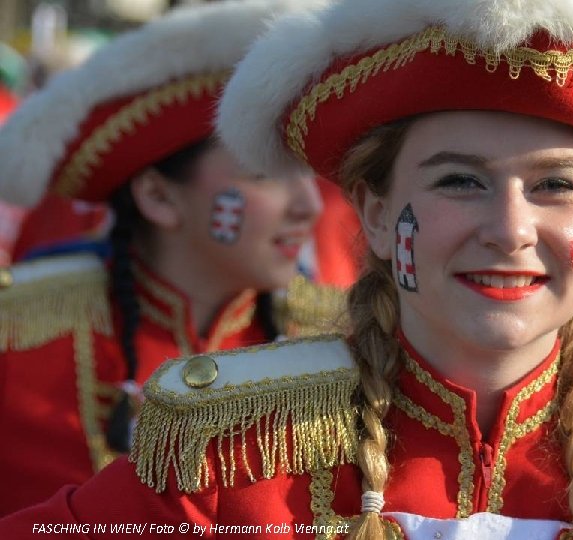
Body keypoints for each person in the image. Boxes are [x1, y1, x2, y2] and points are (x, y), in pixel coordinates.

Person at [0, 0, 573, 538]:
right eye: (459, 180)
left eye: (555, 187)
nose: (510, 229)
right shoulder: (232, 464)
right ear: (377, 211)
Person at [0, 0, 336, 516]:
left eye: (308, 172)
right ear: (158, 197)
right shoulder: (18, 335)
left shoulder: (342, 343)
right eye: (265, 175)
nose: (308, 206)